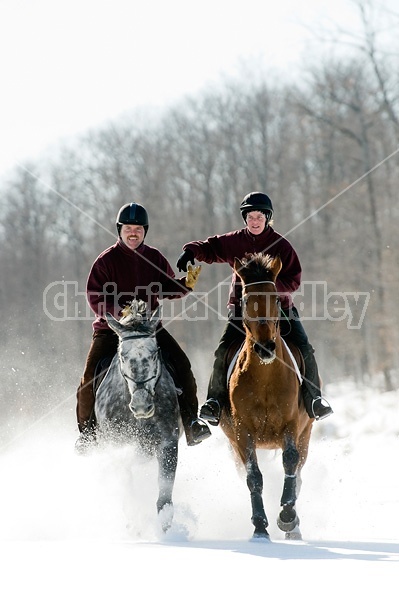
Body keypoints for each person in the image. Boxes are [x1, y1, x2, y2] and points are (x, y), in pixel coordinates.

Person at [176, 191, 333, 425]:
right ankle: (214, 402)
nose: (255, 221)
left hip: (280, 312)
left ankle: (314, 400)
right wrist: (191, 251)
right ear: (245, 219)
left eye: (260, 216)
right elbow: (210, 247)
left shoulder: (282, 245)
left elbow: (294, 280)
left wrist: (266, 292)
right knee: (223, 351)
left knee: (305, 349)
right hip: (242, 312)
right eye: (250, 217)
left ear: (268, 218)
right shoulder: (235, 242)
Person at [75, 202, 211, 453]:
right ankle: (88, 434)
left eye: (138, 228)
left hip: (150, 329)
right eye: (128, 228)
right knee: (88, 377)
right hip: (112, 330)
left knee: (182, 364)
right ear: (120, 230)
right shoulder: (106, 261)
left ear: (145, 231)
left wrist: (186, 285)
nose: (133, 233)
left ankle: (192, 422)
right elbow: (94, 295)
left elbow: (167, 287)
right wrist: (118, 312)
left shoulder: (155, 257)